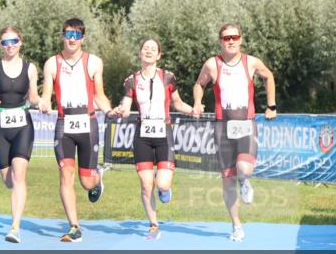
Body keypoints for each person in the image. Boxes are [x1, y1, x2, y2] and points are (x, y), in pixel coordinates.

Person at [192, 23, 277, 242]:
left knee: (243, 168)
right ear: (220, 41)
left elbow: (268, 76)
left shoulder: (251, 62)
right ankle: (237, 226)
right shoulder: (212, 64)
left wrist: (271, 105)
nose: (230, 41)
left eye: (234, 37)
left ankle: (246, 181)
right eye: (226, 37)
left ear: (240, 39)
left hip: (246, 123)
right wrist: (198, 103)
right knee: (227, 180)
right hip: (222, 127)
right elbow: (199, 84)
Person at [109, 38, 193, 240]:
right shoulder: (131, 80)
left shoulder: (168, 77)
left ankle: (165, 191)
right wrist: (121, 109)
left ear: (159, 55)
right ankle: (153, 224)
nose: (149, 51)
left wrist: (193, 110)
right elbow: (127, 106)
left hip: (164, 133)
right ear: (140, 53)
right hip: (142, 135)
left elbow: (177, 103)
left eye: (153, 49)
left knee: (161, 184)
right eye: (145, 48)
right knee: (147, 185)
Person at [38, 18, 113, 243]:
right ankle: (74, 227)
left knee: (86, 182)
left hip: (87, 123)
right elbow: (46, 95)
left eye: (77, 35)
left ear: (83, 38)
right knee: (66, 174)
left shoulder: (94, 62)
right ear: (62, 36)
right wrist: (43, 103)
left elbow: (99, 94)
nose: (72, 39)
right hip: (64, 124)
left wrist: (109, 110)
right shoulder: (52, 63)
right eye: (68, 34)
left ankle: (97, 180)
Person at [0, 26, 40, 244]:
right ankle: (14, 205)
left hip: (22, 124)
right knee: (9, 180)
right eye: (5, 42)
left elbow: (33, 97)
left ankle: (15, 227)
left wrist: (43, 102)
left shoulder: (30, 68)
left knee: (19, 176)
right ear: (1, 45)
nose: (9, 45)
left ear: (20, 42)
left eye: (13, 40)